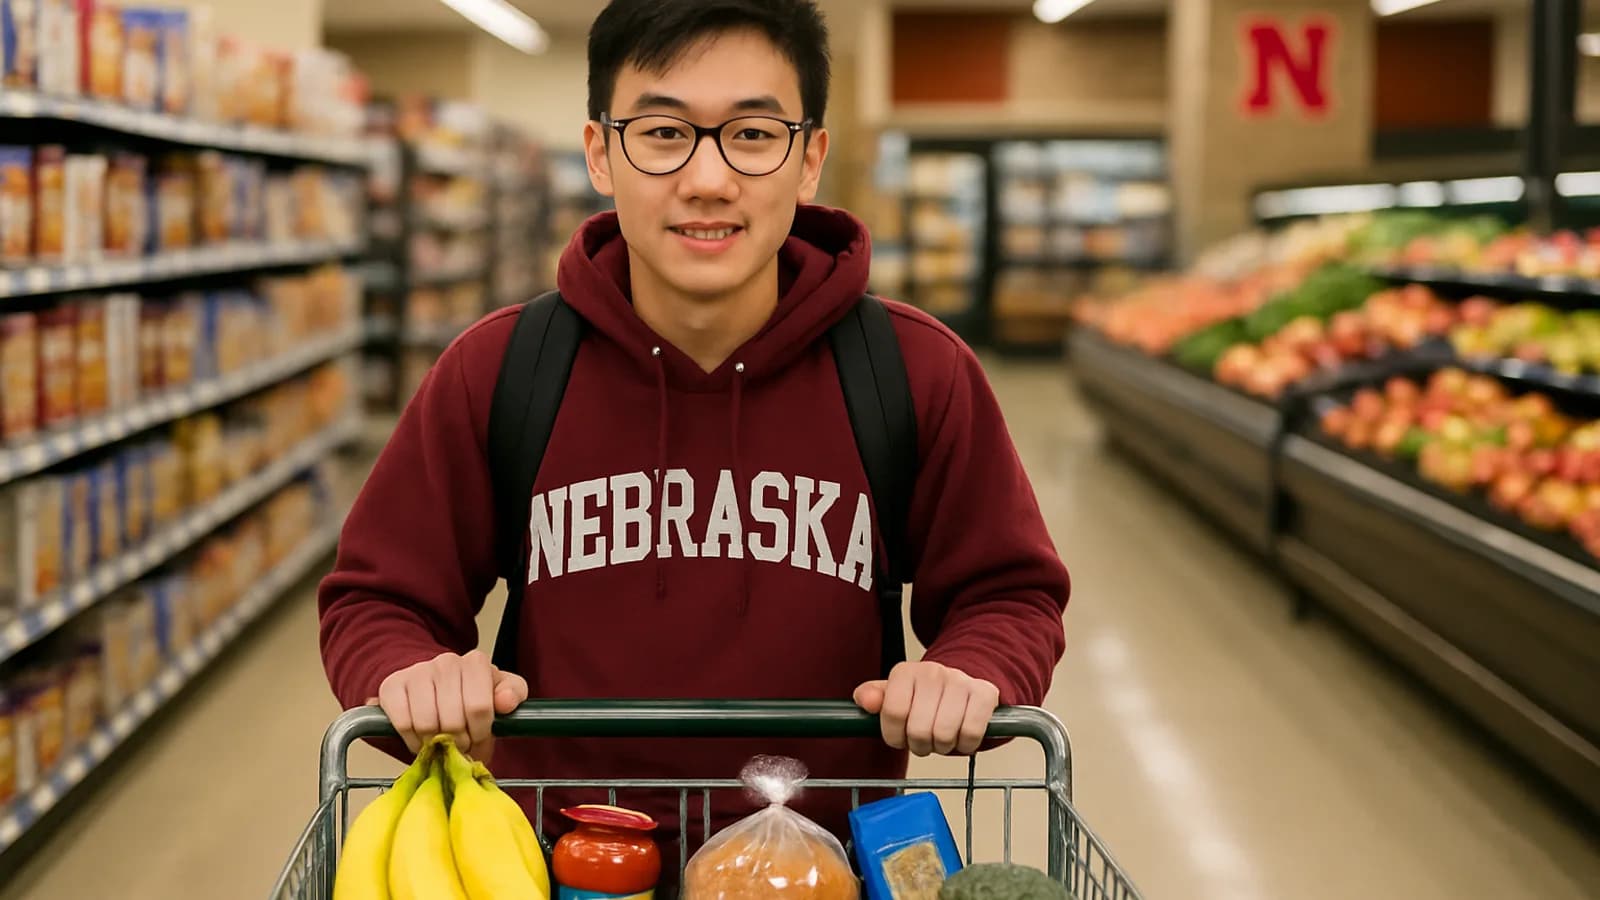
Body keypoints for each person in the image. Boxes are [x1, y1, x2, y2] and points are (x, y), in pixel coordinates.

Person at [317, 0, 1069, 879]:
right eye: (663, 132)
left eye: (753, 134)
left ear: (810, 158)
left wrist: (967, 669)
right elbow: (376, 600)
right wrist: (413, 672)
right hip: (564, 869)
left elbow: (1010, 594)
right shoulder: (503, 369)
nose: (708, 180)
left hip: (819, 876)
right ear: (600, 152)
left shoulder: (913, 370)